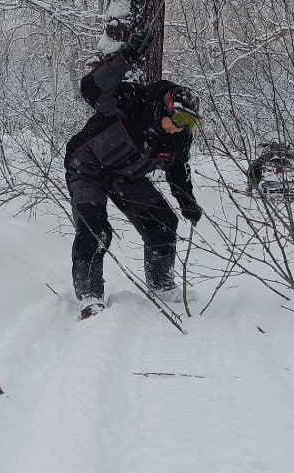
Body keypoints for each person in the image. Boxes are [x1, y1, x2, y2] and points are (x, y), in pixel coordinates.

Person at [64, 35, 203, 319]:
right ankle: (90, 298)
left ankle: (161, 285)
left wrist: (187, 202)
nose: (180, 128)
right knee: (96, 230)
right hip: (87, 169)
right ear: (165, 107)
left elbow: (178, 172)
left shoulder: (178, 139)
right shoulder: (132, 101)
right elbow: (90, 88)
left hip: (127, 178)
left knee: (164, 222)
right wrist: (124, 59)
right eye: (179, 119)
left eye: (190, 123)